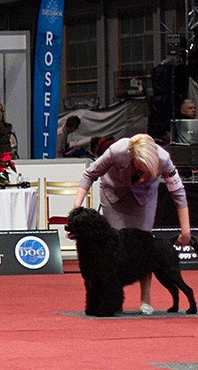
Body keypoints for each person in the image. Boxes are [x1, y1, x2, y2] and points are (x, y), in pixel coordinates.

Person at [75, 133, 191, 315]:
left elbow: (178, 193)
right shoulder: (116, 151)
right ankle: (111, 299)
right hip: (114, 195)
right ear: (130, 158)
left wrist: (186, 230)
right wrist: (77, 207)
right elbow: (89, 175)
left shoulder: (164, 159)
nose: (143, 177)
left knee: (144, 249)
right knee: (113, 251)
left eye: (148, 172)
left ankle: (146, 299)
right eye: (139, 170)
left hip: (144, 199)